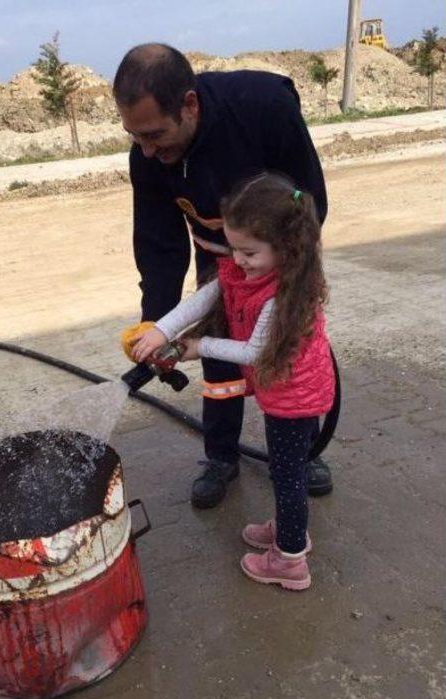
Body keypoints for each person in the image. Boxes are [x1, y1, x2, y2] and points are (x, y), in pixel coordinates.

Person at [113, 43, 333, 508]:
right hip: (216, 257)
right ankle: (220, 456)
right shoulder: (148, 155)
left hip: (281, 258)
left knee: (290, 356)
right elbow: (158, 243)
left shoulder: (263, 109)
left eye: (155, 134)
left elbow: (310, 200)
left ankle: (302, 450)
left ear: (189, 104)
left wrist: (289, 275)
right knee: (220, 363)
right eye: (136, 138)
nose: (148, 151)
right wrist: (157, 325)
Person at [132, 173, 335, 590]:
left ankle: (291, 560)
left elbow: (253, 353)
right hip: (284, 390)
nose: (238, 260)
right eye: (234, 247)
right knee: (288, 471)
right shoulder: (257, 269)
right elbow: (207, 296)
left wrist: (199, 345)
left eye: (248, 252)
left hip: (294, 399)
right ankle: (289, 531)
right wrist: (161, 330)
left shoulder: (284, 294)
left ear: (286, 249)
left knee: (287, 475)